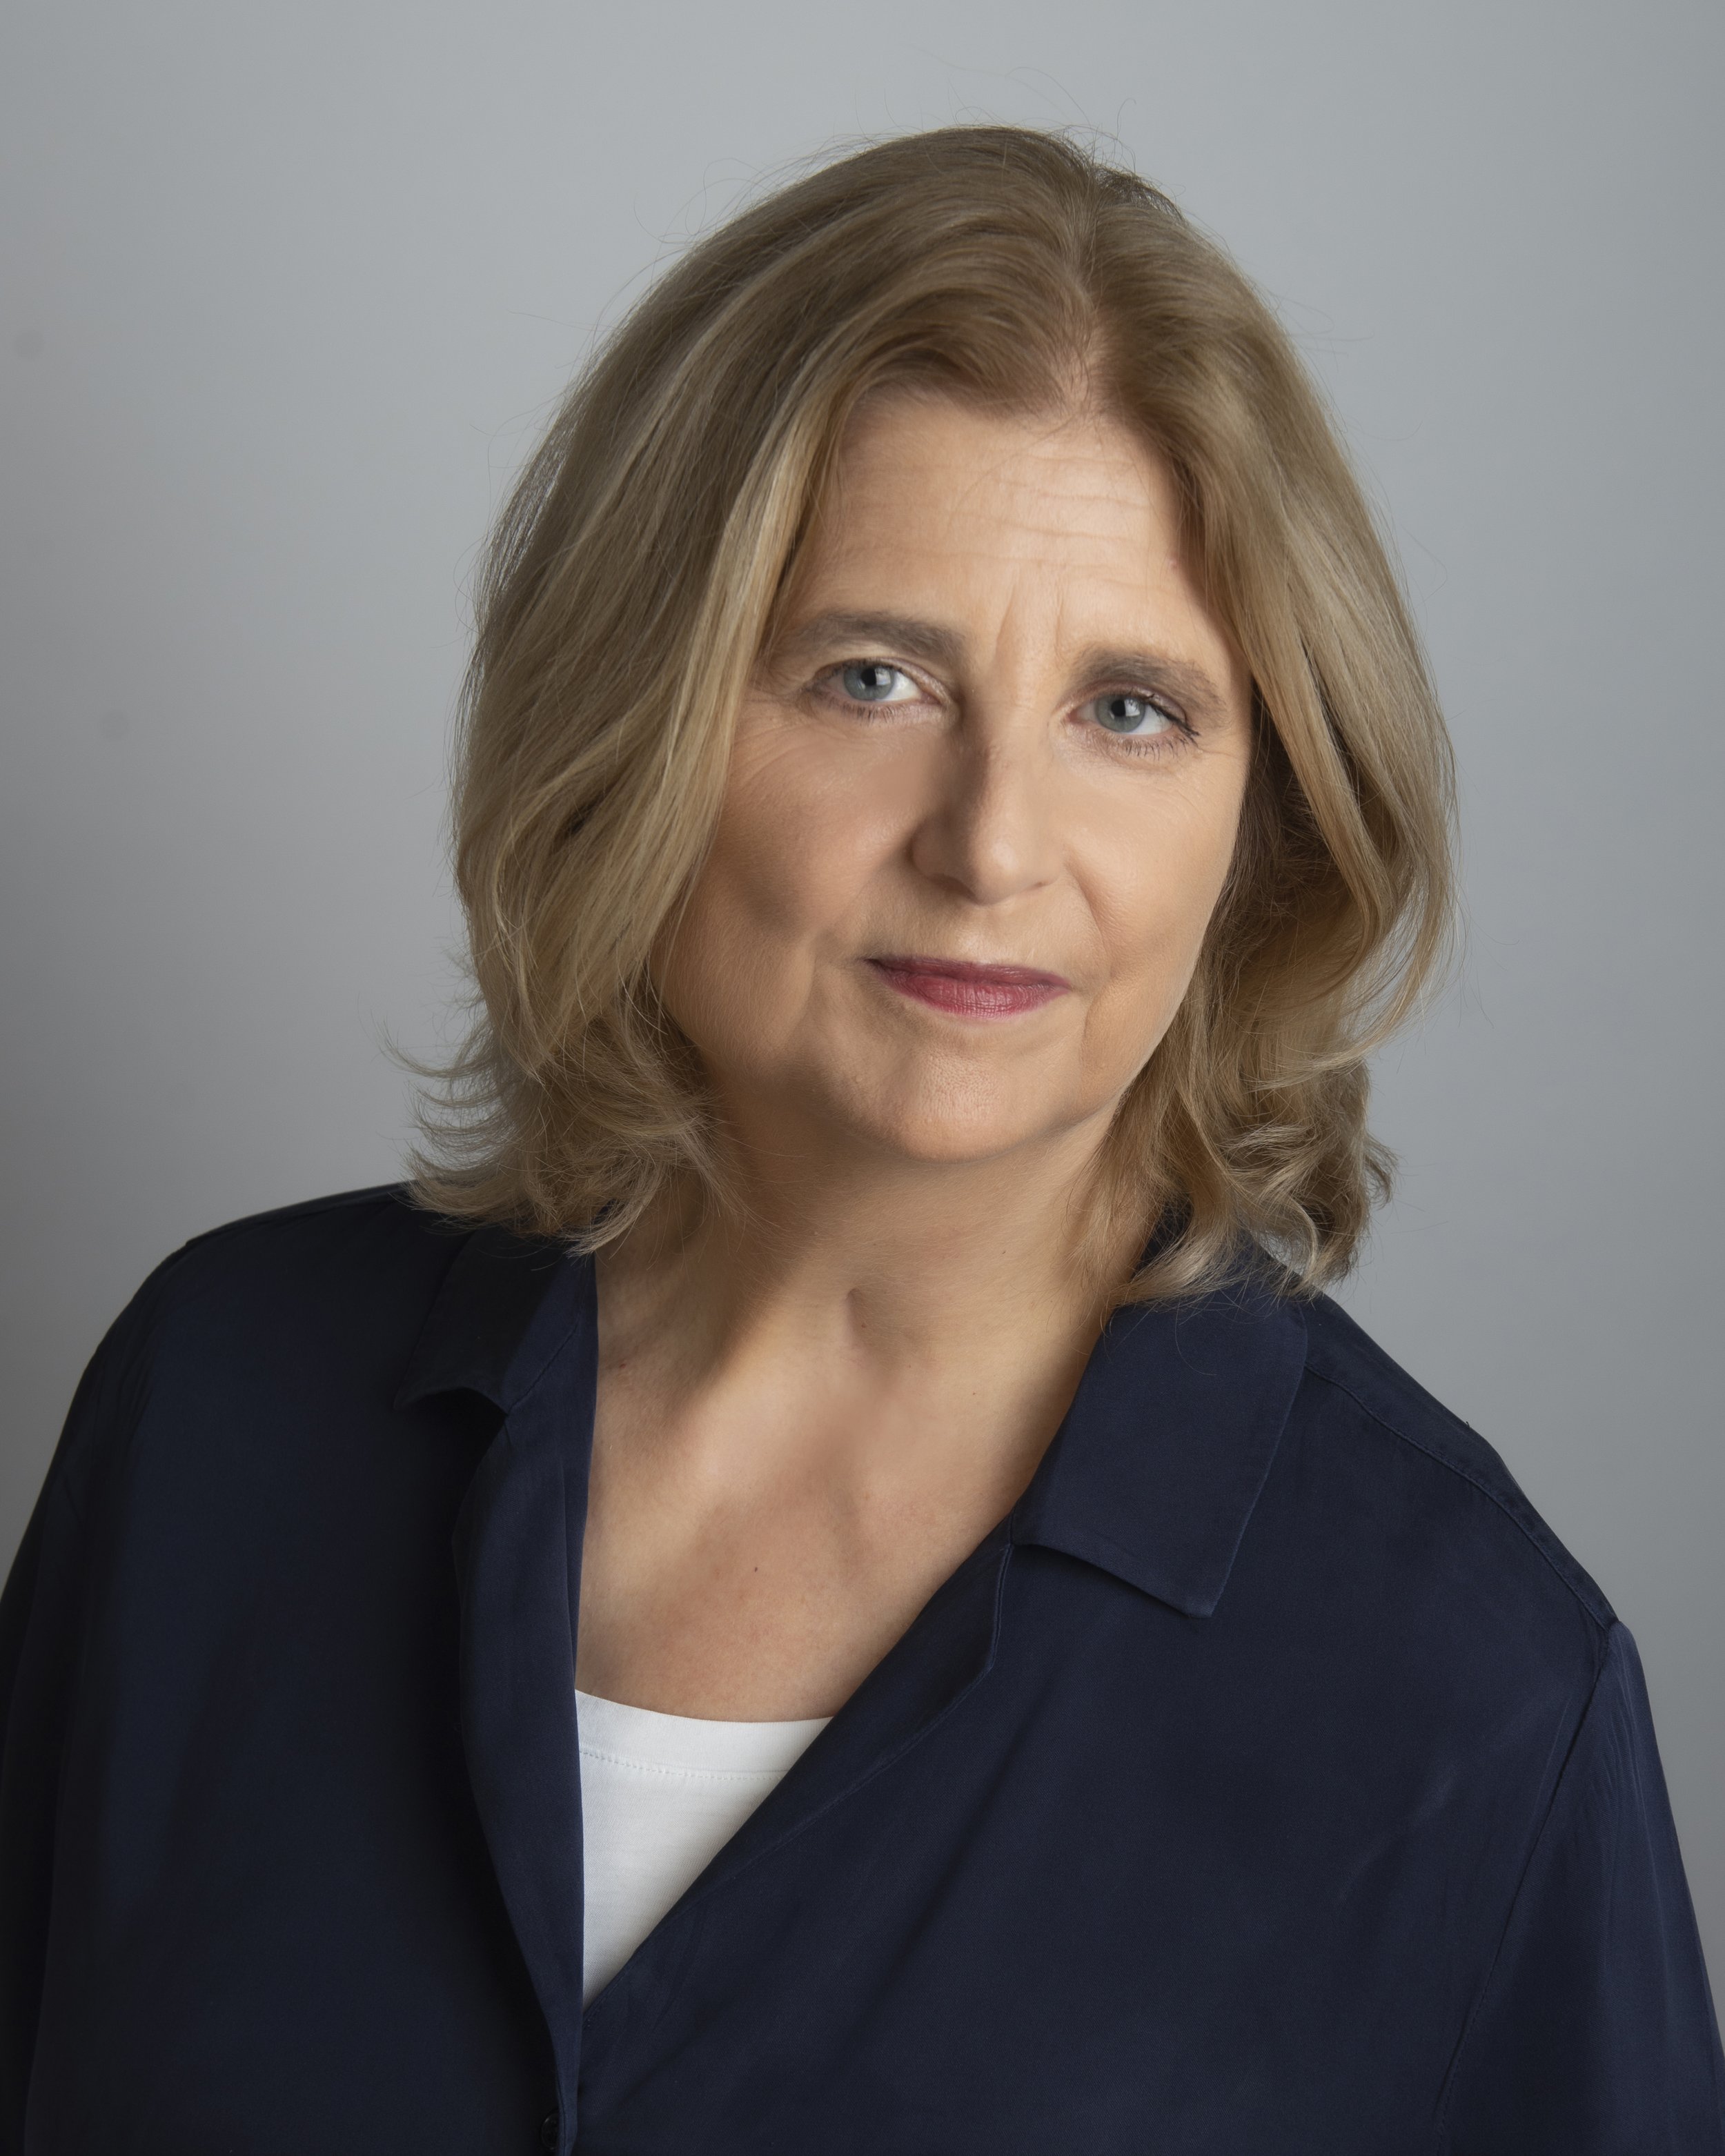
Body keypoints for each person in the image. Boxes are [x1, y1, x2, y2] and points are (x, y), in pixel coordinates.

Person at [1, 124, 1719, 2155]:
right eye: (873, 677)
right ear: (634, 720)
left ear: (1265, 824)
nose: (990, 845)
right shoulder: (216, 1407)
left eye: (1131, 711)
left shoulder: (1473, 1697)